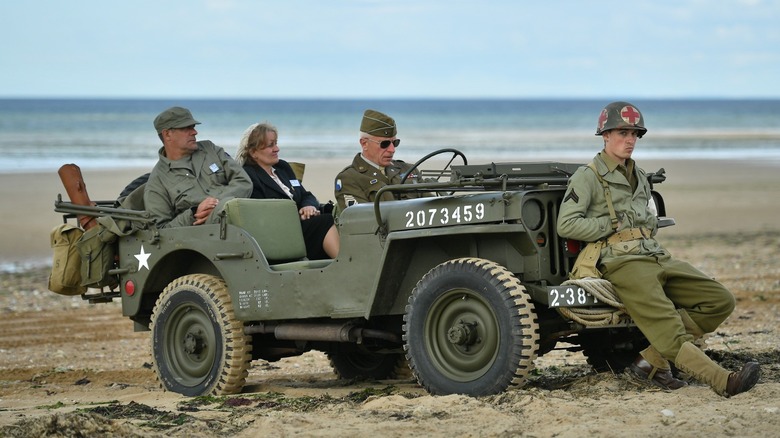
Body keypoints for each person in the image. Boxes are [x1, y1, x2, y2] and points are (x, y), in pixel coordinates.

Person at [557, 101, 760, 397]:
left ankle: (649, 361)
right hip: (622, 262)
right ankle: (724, 382)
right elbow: (567, 224)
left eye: (635, 134)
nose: (630, 140)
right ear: (605, 135)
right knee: (669, 329)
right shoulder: (588, 177)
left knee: (719, 299)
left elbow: (647, 217)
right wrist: (609, 226)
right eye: (623, 132)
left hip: (654, 255)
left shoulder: (638, 175)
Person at [236, 122, 339, 260]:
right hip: (278, 233)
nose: (276, 149)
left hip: (300, 227)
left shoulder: (282, 167)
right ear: (253, 152)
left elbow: (305, 195)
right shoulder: (248, 176)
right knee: (325, 221)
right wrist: (298, 214)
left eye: (276, 143)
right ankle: (346, 264)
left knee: (337, 218)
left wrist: (308, 206)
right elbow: (262, 212)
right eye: (270, 145)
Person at [144, 106, 252, 228]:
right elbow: (160, 231)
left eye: (193, 127)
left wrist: (217, 204)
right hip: (206, 237)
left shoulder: (210, 150)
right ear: (167, 134)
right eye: (186, 128)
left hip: (240, 221)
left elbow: (244, 182)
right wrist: (194, 213)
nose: (195, 132)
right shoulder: (158, 181)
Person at [334, 109, 427, 212]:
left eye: (395, 143)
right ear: (364, 143)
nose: (392, 150)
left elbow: (433, 205)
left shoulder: (409, 169)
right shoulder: (350, 178)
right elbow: (362, 221)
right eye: (384, 144)